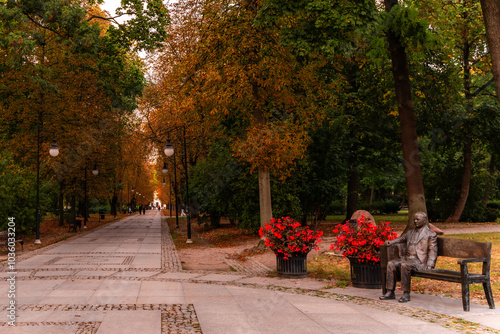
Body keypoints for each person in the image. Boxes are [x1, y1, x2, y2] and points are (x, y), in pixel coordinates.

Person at [379, 212, 438, 303]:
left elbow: (433, 250)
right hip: (407, 258)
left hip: (419, 260)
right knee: (391, 264)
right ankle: (390, 292)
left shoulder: (430, 234)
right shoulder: (410, 232)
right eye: (414, 219)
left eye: (417, 219)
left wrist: (430, 264)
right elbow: (401, 239)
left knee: (405, 265)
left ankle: (406, 293)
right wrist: (391, 242)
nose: (415, 221)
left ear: (424, 220)